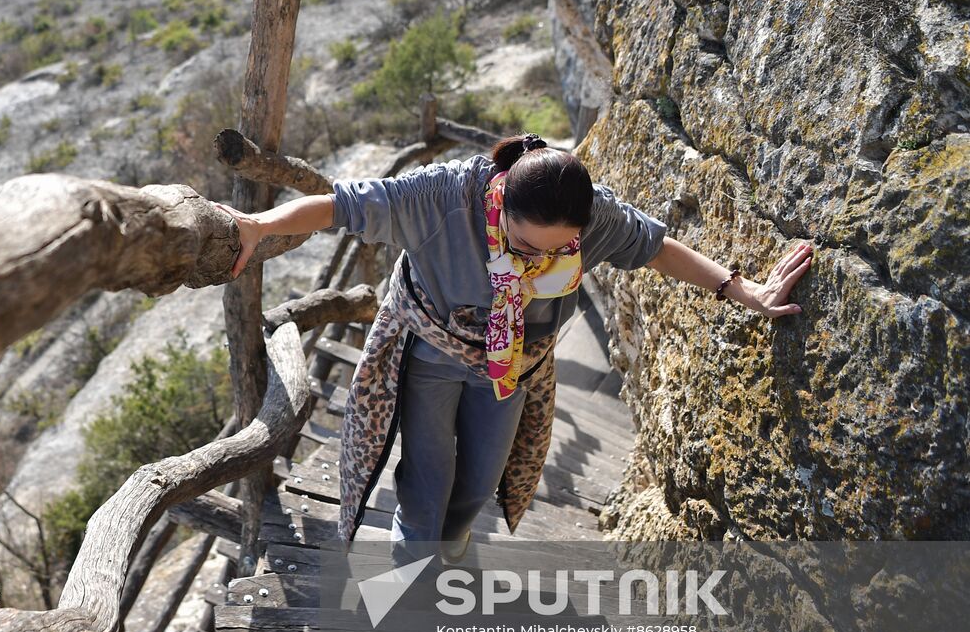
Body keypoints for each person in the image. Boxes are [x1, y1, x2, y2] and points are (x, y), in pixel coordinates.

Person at [215, 133, 812, 565]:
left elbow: (655, 246)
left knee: (480, 478)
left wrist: (744, 291)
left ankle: (450, 553)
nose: (536, 260)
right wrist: (259, 228)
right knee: (428, 473)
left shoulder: (594, 215)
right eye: (524, 246)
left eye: (559, 249)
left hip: (514, 363)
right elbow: (339, 204)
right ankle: (411, 574)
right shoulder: (442, 197)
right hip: (433, 349)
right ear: (502, 207)